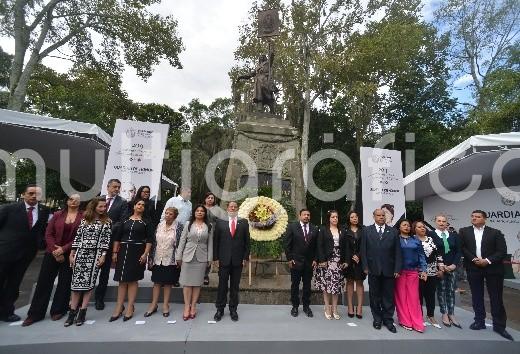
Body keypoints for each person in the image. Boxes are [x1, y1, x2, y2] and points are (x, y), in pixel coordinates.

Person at [22, 194, 83, 326]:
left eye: (76, 200)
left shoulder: (83, 217)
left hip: (70, 253)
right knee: (44, 282)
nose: (73, 201)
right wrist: (55, 250)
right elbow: (48, 233)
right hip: (52, 252)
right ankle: (35, 314)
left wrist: (64, 249)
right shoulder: (57, 214)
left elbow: (81, 236)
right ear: (67, 201)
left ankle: (58, 310)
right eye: (71, 199)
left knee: (65, 282)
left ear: (79, 203)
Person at [460, 210, 513, 341]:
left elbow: (502, 251)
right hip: (473, 267)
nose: (474, 218)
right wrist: (474, 259)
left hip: (493, 269)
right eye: (472, 216)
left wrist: (487, 261)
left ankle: (499, 326)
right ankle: (479, 321)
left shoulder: (495, 233)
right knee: (476, 296)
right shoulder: (464, 231)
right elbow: (463, 248)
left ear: (484, 219)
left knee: (496, 297)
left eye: (477, 217)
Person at [0, 184, 50, 322]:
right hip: (4, 252)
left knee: (14, 284)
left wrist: (39, 246)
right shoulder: (9, 209)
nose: (34, 196)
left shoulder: (44, 210)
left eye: (37, 194)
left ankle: (7, 312)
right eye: (31, 193)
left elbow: (40, 231)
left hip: (26, 255)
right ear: (24, 194)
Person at [65, 197, 111, 327]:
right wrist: (72, 252)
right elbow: (78, 237)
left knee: (89, 285)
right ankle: (72, 312)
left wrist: (103, 255)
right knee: (75, 285)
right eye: (100, 206)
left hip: (94, 255)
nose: (103, 209)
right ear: (94, 207)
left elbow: (105, 240)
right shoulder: (84, 220)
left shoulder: (106, 222)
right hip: (80, 253)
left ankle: (82, 312)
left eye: (104, 207)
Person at [109, 199, 154, 322]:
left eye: (143, 205)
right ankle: (119, 306)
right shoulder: (125, 220)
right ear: (134, 206)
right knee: (122, 280)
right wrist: (114, 252)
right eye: (139, 204)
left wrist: (145, 254)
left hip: (137, 251)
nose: (141, 206)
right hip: (123, 250)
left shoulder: (146, 222)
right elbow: (117, 237)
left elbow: (150, 240)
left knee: (133, 280)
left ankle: (130, 306)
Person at [361, 208, 401, 333]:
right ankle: (377, 319)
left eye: (383, 215)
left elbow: (398, 252)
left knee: (388, 297)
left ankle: (388, 320)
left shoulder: (393, 231)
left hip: (389, 270)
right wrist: (365, 267)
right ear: (374, 217)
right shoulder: (367, 231)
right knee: (375, 296)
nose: (381, 217)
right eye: (378, 215)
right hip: (373, 269)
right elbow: (363, 250)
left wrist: (397, 268)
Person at [213, 201, 250, 322]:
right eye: (231, 206)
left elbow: (247, 242)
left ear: (237, 209)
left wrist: (245, 258)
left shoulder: (243, 222)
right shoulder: (220, 222)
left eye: (235, 207)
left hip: (238, 261)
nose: (233, 208)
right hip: (223, 260)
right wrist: (215, 258)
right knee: (222, 286)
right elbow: (216, 242)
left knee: (235, 287)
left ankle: (233, 309)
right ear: (227, 208)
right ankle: (220, 309)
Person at [95, 178, 129, 310]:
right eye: (114, 186)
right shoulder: (98, 199)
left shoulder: (123, 202)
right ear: (108, 187)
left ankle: (99, 299)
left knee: (104, 273)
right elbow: (90, 215)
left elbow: (122, 221)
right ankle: (81, 297)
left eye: (118, 187)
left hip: (110, 241)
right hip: (93, 241)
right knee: (90, 270)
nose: (117, 189)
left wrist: (107, 227)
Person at [175, 205, 213, 320]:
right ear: (194, 212)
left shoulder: (209, 226)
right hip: (187, 256)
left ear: (205, 213)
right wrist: (179, 256)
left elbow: (210, 243)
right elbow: (182, 241)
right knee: (186, 283)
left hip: (202, 258)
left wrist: (210, 258)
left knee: (197, 284)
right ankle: (187, 306)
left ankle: (193, 306)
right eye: (198, 210)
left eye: (202, 211)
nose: (200, 212)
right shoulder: (188, 224)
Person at [144, 207, 184, 318]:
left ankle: (166, 305)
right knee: (156, 282)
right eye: (166, 213)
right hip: (158, 258)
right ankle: (153, 304)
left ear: (175, 216)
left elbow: (181, 244)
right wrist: (151, 258)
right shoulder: (159, 225)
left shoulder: (179, 226)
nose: (167, 215)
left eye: (170, 214)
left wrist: (179, 259)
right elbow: (154, 242)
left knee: (168, 283)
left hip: (171, 259)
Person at [283, 208, 318, 318]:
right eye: (304, 215)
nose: (306, 216)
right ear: (300, 216)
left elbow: (317, 246)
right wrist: (289, 258)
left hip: (309, 263)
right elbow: (287, 244)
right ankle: (295, 306)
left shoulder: (314, 228)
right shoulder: (292, 227)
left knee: (307, 286)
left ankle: (306, 306)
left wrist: (315, 259)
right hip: (295, 262)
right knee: (295, 285)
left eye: (308, 215)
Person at [429, 214, 462, 328]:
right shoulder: (431, 234)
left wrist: (454, 265)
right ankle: (444, 314)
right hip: (439, 268)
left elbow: (458, 251)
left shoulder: (454, 236)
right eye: (439, 221)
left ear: (447, 222)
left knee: (451, 291)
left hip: (452, 267)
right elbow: (430, 250)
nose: (441, 223)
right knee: (441, 291)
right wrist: (440, 266)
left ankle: (451, 314)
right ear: (435, 222)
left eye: (444, 221)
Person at [394, 219, 427, 332]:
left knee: (414, 298)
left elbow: (421, 255)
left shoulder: (416, 240)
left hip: (413, 271)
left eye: (408, 225)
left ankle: (417, 322)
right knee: (401, 297)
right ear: (399, 227)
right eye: (404, 225)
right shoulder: (396, 240)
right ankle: (404, 321)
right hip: (400, 272)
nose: (407, 227)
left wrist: (423, 270)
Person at [315, 210, 349, 320]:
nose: (335, 219)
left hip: (339, 261)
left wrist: (346, 261)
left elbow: (346, 247)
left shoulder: (342, 230)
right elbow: (319, 245)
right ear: (329, 218)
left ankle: (335, 309)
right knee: (326, 285)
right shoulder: (323, 230)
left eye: (336, 217)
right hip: (327, 261)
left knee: (336, 286)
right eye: (333, 217)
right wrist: (322, 260)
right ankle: (327, 308)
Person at [414, 220, 444, 329]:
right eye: (419, 227)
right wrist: (420, 270)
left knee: (431, 295)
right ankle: (419, 316)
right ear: (415, 229)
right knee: (419, 296)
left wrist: (440, 267)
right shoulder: (413, 240)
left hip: (432, 272)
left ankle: (430, 316)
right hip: (419, 273)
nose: (423, 228)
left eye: (423, 227)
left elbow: (438, 255)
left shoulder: (431, 239)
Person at [344, 211, 365, 319]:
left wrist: (359, 256)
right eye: (352, 217)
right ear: (349, 219)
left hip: (360, 261)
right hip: (349, 260)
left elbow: (366, 245)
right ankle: (350, 307)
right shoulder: (345, 230)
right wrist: (352, 256)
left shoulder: (364, 230)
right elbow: (344, 246)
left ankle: (360, 308)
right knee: (350, 282)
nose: (355, 218)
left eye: (356, 216)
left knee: (360, 283)